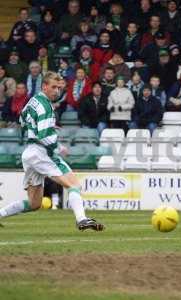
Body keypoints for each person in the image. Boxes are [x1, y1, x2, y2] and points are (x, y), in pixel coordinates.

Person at [0, 71, 104, 231]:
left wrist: (43, 127)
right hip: (42, 152)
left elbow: (22, 120)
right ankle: (81, 219)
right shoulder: (46, 106)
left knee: (35, 204)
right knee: (74, 185)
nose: (57, 91)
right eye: (54, 87)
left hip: (29, 153)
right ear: (44, 86)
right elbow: (44, 136)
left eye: (59, 88)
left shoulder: (33, 101)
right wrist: (58, 148)